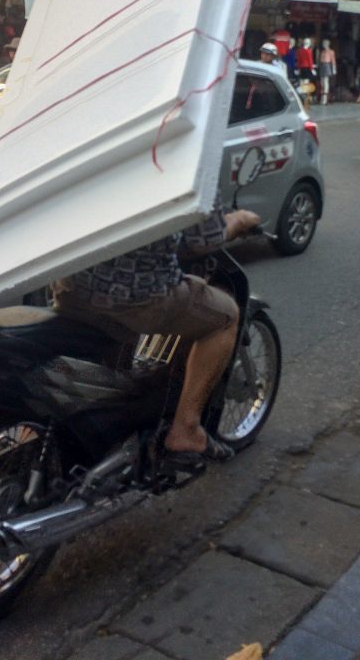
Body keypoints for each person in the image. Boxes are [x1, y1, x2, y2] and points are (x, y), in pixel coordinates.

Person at [53, 198, 261, 468]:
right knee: (226, 316)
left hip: (71, 287)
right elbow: (204, 238)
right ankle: (185, 430)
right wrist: (240, 220)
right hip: (140, 298)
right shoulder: (184, 158)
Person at [318, 39, 337, 105]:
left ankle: (325, 99)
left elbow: (333, 61)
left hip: (327, 65)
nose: (323, 44)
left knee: (325, 82)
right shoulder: (322, 51)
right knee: (322, 82)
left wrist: (334, 69)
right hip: (322, 65)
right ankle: (322, 98)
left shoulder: (331, 51)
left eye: (324, 43)